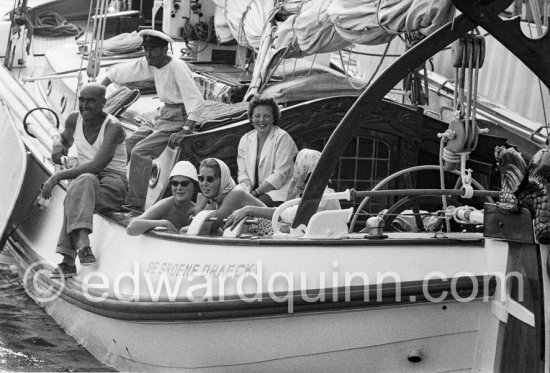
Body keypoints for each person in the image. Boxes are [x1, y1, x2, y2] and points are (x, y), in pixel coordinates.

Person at [101, 29, 205, 213]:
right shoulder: (153, 63)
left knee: (141, 152)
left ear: (165, 50)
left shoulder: (177, 67)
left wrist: (186, 129)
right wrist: (104, 83)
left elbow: (195, 99)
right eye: (146, 49)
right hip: (163, 115)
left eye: (153, 49)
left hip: (177, 118)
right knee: (127, 145)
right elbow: (130, 69)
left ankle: (135, 204)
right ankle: (112, 189)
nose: (148, 54)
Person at [41, 83, 128, 278]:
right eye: (81, 100)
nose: (84, 105)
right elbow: (62, 138)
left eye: (91, 101)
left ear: (103, 103)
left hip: (113, 184)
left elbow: (97, 166)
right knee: (82, 183)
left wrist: (57, 176)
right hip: (86, 181)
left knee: (79, 186)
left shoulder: (113, 127)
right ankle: (83, 245)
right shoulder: (74, 119)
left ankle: (68, 260)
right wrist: (57, 146)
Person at [226, 149, 340, 232]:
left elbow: (281, 215)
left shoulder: (320, 199)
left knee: (242, 200)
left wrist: (248, 209)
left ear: (302, 172)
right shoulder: (326, 194)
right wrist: (293, 190)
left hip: (311, 244)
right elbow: (286, 213)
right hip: (311, 238)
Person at [237, 95, 297, 207]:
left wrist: (255, 193)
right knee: (234, 201)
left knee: (250, 207)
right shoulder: (245, 139)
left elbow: (279, 176)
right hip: (253, 192)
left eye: (266, 116)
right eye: (257, 116)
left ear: (274, 117)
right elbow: (242, 172)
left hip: (280, 192)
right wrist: (247, 189)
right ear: (251, 118)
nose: (261, 120)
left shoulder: (282, 138)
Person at [195, 158, 266, 235]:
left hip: (274, 238)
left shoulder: (236, 194)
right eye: (201, 178)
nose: (204, 183)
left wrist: (199, 209)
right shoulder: (215, 198)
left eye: (210, 179)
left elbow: (204, 228)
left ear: (222, 180)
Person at [126, 161, 198, 235]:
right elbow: (131, 228)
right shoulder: (165, 205)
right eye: (175, 183)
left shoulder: (196, 211)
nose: (179, 188)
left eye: (184, 184)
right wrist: (164, 223)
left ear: (194, 187)